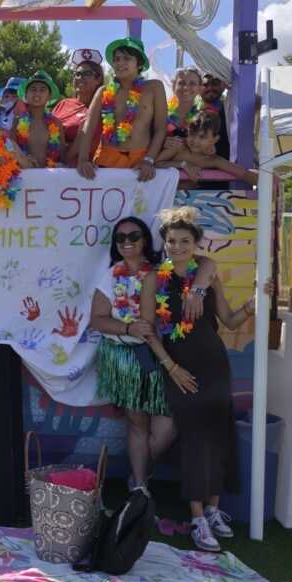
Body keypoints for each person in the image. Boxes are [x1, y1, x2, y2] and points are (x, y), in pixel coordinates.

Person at [145, 207, 250, 552]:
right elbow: (148, 331)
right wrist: (171, 367)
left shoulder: (207, 274)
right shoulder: (154, 280)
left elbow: (230, 321)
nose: (177, 247)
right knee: (193, 437)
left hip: (214, 364)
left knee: (218, 434)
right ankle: (197, 519)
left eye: (184, 241)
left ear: (195, 244)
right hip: (180, 369)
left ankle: (214, 510)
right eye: (171, 241)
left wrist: (253, 303)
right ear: (164, 243)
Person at [89, 217, 172, 495]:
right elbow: (98, 320)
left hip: (162, 354)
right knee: (138, 423)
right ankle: (139, 484)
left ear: (145, 240)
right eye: (120, 238)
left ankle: (142, 470)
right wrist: (128, 328)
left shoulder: (161, 272)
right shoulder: (110, 276)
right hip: (125, 357)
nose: (127, 242)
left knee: (166, 429)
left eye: (133, 236)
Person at [76, 38, 167, 181]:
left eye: (126, 58)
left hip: (140, 163)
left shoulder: (154, 87)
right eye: (116, 59)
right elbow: (88, 127)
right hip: (106, 160)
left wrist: (149, 160)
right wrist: (82, 160)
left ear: (139, 63)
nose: (120, 63)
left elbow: (161, 128)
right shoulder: (103, 91)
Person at [156, 110, 258, 186]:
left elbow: (243, 173)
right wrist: (183, 164)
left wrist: (265, 182)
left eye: (202, 137)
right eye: (192, 134)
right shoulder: (178, 145)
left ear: (215, 139)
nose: (195, 140)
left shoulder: (212, 160)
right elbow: (155, 163)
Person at [54, 49, 103, 164]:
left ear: (98, 79)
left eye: (87, 74)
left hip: (91, 170)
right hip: (58, 169)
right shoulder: (63, 104)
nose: (80, 78)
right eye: (77, 74)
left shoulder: (106, 108)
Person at [9, 71, 66, 168]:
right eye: (33, 89)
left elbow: (63, 154)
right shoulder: (16, 122)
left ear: (49, 96)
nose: (37, 93)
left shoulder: (56, 123)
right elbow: (11, 152)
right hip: (25, 175)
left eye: (42, 90)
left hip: (50, 175)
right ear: (26, 95)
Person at [200, 73, 233, 160]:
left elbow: (257, 102)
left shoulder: (231, 107)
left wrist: (234, 89)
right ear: (198, 87)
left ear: (222, 86)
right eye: (205, 84)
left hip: (229, 164)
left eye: (215, 83)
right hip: (198, 164)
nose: (210, 88)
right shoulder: (192, 111)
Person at [166, 68, 204, 139]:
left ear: (199, 89)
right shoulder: (161, 113)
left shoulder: (203, 118)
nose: (186, 87)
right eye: (181, 83)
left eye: (192, 83)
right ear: (174, 86)